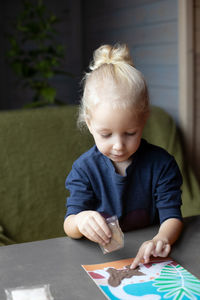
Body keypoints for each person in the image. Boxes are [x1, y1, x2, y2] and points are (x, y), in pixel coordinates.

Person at [63, 43, 183, 269]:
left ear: (143, 120)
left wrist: (161, 239)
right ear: (89, 124)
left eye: (130, 133)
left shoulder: (162, 165)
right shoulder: (84, 169)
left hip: (149, 260)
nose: (118, 145)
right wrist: (81, 220)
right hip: (100, 262)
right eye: (106, 134)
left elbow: (172, 217)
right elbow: (69, 224)